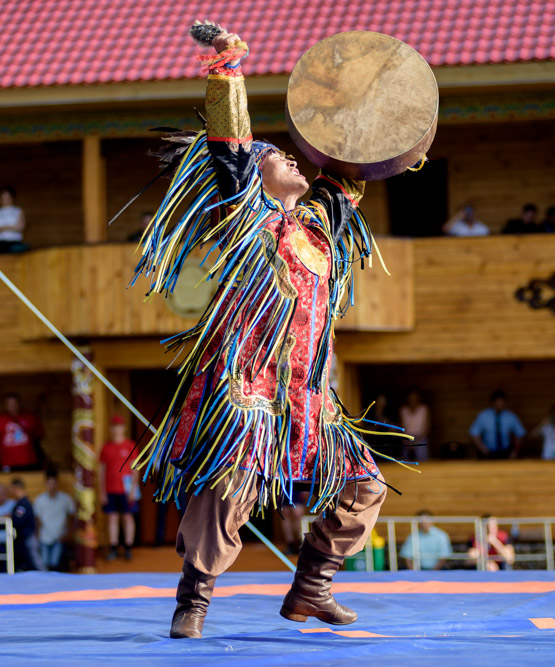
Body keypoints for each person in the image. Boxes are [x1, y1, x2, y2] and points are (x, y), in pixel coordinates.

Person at [130, 27, 394, 639]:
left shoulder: (320, 224)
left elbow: (349, 170)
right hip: (246, 385)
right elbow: (231, 144)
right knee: (228, 488)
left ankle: (311, 590)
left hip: (308, 396)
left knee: (364, 484)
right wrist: (228, 68)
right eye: (279, 156)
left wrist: (363, 100)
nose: (292, 159)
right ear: (255, 174)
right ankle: (193, 602)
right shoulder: (244, 214)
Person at [100, 415, 139, 562]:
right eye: (114, 426)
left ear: (124, 428)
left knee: (128, 517)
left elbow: (135, 469)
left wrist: (134, 489)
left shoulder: (130, 445)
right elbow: (102, 470)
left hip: (126, 489)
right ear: (111, 429)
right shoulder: (106, 447)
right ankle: (114, 548)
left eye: (119, 426)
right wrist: (102, 491)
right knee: (112, 518)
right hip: (110, 489)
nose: (117, 429)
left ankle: (128, 548)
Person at [0, 392, 45, 471]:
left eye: (14, 403)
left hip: (29, 460)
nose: (12, 407)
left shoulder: (31, 417)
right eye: (9, 404)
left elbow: (39, 435)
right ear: (5, 405)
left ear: (19, 404)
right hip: (8, 462)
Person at [33, 471, 76, 571]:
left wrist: (68, 534)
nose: (52, 486)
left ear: (57, 483)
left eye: (54, 483)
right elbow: (37, 520)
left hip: (59, 536)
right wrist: (37, 536)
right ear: (46, 484)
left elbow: (71, 518)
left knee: (54, 563)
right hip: (45, 536)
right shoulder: (40, 500)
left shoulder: (66, 499)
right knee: (44, 564)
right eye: (49, 483)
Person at [469, 390, 526, 459]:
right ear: (492, 402)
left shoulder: (511, 416)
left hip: (506, 452)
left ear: (505, 402)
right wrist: (483, 449)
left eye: (502, 401)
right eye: (497, 401)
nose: (499, 404)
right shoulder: (483, 415)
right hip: (487, 452)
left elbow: (519, 434)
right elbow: (474, 433)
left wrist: (515, 451)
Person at [10, 478, 43, 571]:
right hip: (23, 539)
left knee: (36, 562)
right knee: (28, 564)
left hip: (27, 538)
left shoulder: (23, 504)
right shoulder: (21, 503)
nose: (11, 492)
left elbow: (17, 521)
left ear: (16, 488)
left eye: (11, 489)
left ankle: (48, 579)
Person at [0, 186, 26, 253]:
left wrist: (2, 228)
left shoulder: (18, 211)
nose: (5, 199)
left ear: (12, 198)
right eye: (3, 197)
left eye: (7, 197)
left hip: (14, 242)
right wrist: (11, 227)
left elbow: (20, 227)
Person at [399, 390, 430, 461]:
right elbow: (401, 427)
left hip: (420, 437)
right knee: (404, 457)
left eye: (415, 397)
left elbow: (427, 428)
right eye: (411, 397)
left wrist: (416, 441)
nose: (413, 400)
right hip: (407, 437)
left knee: (421, 453)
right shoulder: (403, 410)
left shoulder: (424, 409)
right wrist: (407, 440)